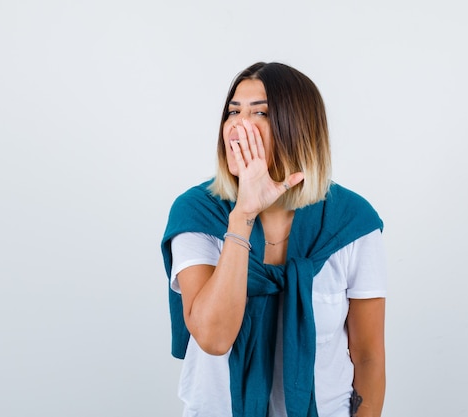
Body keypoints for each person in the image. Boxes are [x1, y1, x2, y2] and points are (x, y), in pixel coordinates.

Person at [161, 62, 387, 417]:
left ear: (297, 127)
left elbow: (369, 355)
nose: (239, 125)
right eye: (233, 112)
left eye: (260, 112)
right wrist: (244, 215)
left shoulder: (351, 222)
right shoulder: (197, 214)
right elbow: (214, 338)